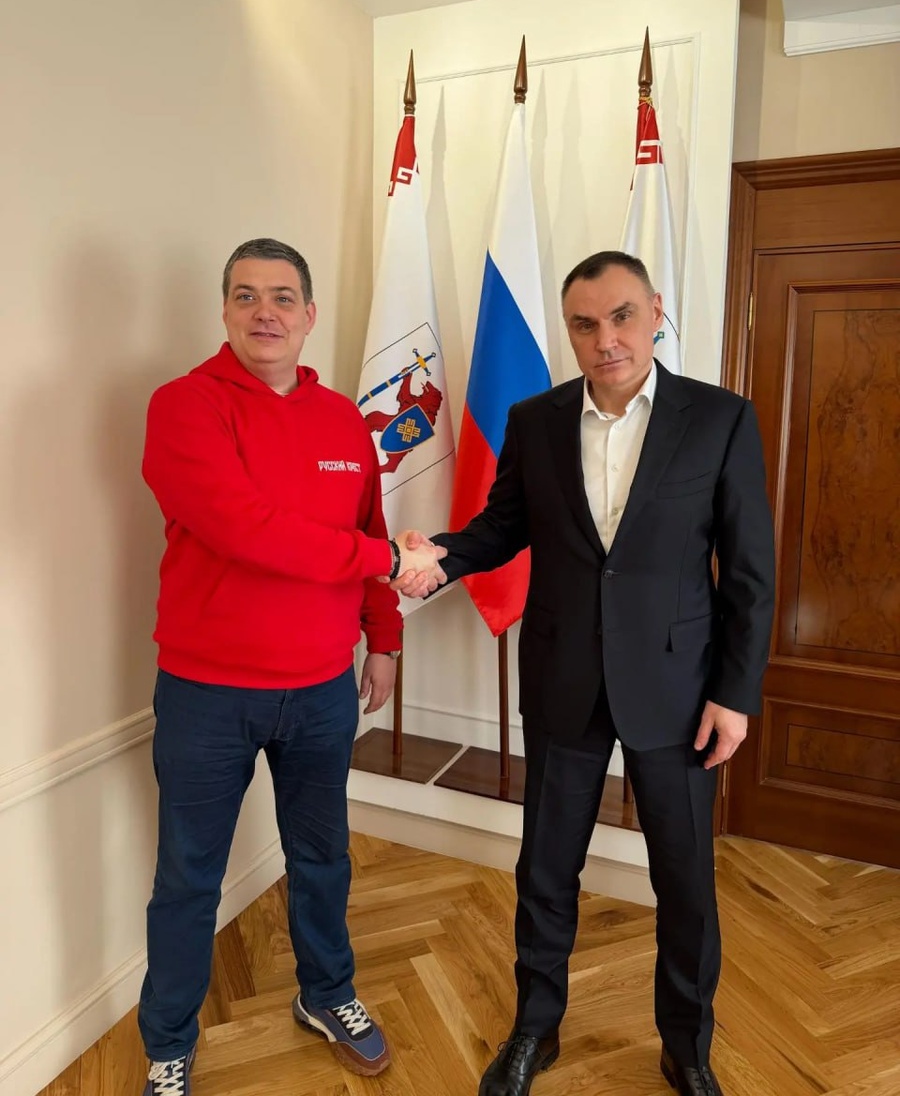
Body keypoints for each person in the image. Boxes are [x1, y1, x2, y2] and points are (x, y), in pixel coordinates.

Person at [395, 251, 776, 1096]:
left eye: (622, 316)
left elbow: (750, 574)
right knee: (545, 868)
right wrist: (441, 557)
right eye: (585, 323)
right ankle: (535, 1030)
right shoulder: (534, 419)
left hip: (680, 692)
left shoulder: (720, 419)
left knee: (684, 877)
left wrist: (735, 694)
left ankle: (687, 1048)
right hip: (564, 677)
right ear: (568, 331)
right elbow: (500, 528)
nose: (607, 339)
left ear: (656, 313)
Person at [138, 238, 445, 1096]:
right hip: (207, 693)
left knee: (322, 855)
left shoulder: (344, 419)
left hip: (319, 688)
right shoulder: (185, 406)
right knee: (188, 876)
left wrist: (384, 636)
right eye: (245, 296)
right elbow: (248, 530)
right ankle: (168, 1044)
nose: (264, 312)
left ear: (309, 315)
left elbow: (367, 528)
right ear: (225, 310)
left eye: (281, 297)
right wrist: (386, 561)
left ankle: (327, 994)